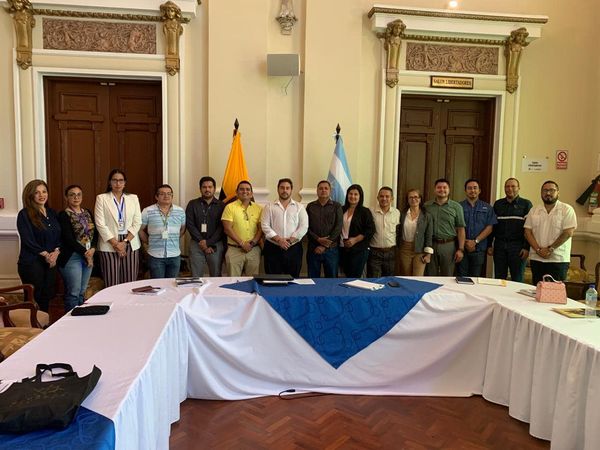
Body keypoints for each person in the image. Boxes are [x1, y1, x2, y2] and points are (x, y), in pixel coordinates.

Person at [16, 180, 61, 312]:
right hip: (32, 263)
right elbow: (28, 240)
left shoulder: (52, 213)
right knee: (34, 298)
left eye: (44, 191)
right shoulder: (24, 214)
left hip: (51, 261)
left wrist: (56, 252)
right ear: (30, 195)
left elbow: (59, 236)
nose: (41, 195)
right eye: (37, 192)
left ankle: (44, 323)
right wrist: (46, 254)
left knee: (47, 296)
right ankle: (31, 325)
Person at [94, 169, 142, 287]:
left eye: (121, 180)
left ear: (125, 183)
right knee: (112, 281)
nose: (118, 183)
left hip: (130, 241)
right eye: (114, 180)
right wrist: (116, 244)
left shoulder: (133, 198)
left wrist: (125, 242)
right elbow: (100, 223)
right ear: (109, 182)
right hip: (109, 241)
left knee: (130, 282)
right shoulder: (101, 198)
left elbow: (137, 222)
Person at [524, 181, 577, 285]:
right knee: (537, 290)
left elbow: (568, 232)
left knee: (555, 292)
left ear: (558, 192)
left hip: (558, 260)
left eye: (551, 190)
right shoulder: (534, 210)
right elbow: (527, 232)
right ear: (541, 193)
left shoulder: (566, 209)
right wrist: (538, 250)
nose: (548, 193)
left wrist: (550, 249)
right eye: (545, 190)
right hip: (536, 258)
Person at [57, 185, 97, 312]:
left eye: (79, 194)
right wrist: (86, 253)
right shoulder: (64, 215)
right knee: (74, 292)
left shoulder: (87, 212)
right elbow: (68, 239)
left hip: (88, 254)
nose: (76, 197)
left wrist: (93, 249)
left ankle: (81, 317)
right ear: (66, 197)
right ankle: (70, 320)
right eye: (72, 195)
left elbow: (95, 233)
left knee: (82, 291)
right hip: (72, 257)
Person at [260, 178, 308, 278]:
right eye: (282, 188)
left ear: (291, 190)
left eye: (287, 188)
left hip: (293, 248)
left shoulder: (299, 207)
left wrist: (290, 240)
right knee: (272, 279)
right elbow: (265, 226)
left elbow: (304, 226)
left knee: (293, 279)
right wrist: (279, 240)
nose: (284, 190)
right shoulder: (269, 207)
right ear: (278, 189)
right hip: (273, 248)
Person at [487, 178, 532, 282]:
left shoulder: (526, 204)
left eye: (513, 186)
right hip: (499, 246)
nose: (510, 189)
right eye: (507, 186)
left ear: (518, 188)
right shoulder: (498, 204)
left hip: (518, 247)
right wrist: (489, 245)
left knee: (517, 279)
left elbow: (529, 229)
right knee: (499, 279)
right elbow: (493, 226)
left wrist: (526, 248)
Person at [140, 184, 186, 279]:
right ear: (156, 197)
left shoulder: (180, 211)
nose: (166, 196)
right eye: (162, 194)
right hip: (155, 255)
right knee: (158, 284)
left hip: (174, 255)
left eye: (169, 194)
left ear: (172, 196)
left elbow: (183, 228)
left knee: (172, 284)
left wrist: (174, 239)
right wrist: (148, 241)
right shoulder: (147, 211)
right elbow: (139, 229)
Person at [425, 178, 466, 276]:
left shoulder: (456, 207)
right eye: (439, 187)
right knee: (430, 275)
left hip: (448, 245)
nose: (442, 190)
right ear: (435, 189)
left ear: (449, 189)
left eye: (444, 187)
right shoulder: (427, 206)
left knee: (447, 275)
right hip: (430, 244)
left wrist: (461, 249)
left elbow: (461, 229)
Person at [221, 181, 263, 277]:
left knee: (252, 280)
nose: (245, 191)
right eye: (242, 189)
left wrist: (252, 243)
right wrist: (242, 243)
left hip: (253, 250)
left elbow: (261, 229)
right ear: (237, 192)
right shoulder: (229, 207)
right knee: (233, 281)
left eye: (248, 189)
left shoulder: (259, 208)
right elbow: (227, 229)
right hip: (234, 250)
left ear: (251, 193)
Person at [186, 176, 225, 277]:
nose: (207, 189)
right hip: (196, 243)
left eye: (210, 187)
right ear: (200, 189)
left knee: (216, 275)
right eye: (204, 187)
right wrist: (202, 242)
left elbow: (222, 227)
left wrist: (209, 242)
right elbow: (190, 224)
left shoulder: (222, 205)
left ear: (214, 189)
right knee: (196, 275)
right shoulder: (192, 204)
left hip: (215, 244)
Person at [457, 179, 497, 277]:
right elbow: (455, 226)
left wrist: (475, 241)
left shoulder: (488, 208)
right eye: (469, 188)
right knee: (461, 277)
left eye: (475, 188)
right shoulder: (458, 207)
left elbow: (490, 227)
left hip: (479, 249)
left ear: (479, 190)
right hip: (462, 248)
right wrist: (465, 242)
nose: (472, 190)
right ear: (465, 191)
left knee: (475, 277)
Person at [306, 180, 343, 278]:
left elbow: (338, 227)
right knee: (313, 280)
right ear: (317, 191)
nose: (323, 190)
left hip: (331, 249)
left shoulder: (337, 206)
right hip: (313, 248)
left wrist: (325, 245)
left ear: (330, 191)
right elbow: (305, 227)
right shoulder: (310, 206)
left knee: (332, 280)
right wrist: (317, 239)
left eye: (326, 188)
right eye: (321, 188)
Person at [339, 184, 375, 278]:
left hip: (359, 250)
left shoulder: (365, 211)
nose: (353, 196)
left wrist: (355, 240)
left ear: (360, 196)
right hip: (343, 248)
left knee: (355, 278)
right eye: (350, 194)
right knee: (345, 276)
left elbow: (370, 230)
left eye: (356, 194)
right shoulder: (341, 209)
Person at [397, 189, 433, 276]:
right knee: (406, 276)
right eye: (411, 197)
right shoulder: (401, 214)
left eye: (416, 197)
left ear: (420, 199)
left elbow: (429, 236)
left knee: (418, 277)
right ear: (407, 200)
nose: (413, 199)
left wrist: (428, 254)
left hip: (420, 250)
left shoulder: (427, 216)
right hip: (405, 249)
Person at [367, 186, 400, 277]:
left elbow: (398, 232)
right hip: (374, 253)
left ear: (392, 198)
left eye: (387, 196)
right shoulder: (370, 211)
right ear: (377, 198)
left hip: (391, 252)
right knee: (374, 280)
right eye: (381, 196)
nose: (384, 199)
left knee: (389, 279)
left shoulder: (397, 213)